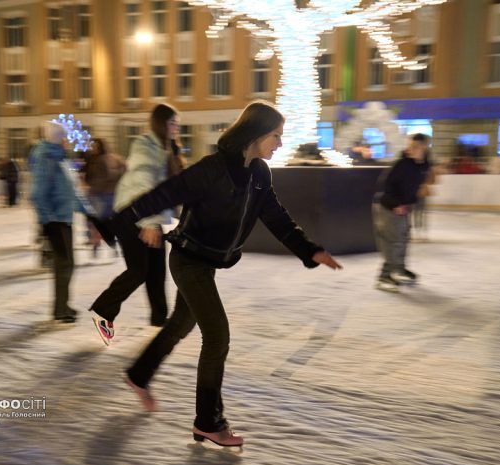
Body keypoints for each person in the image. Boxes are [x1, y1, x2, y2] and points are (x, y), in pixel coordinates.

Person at [110, 100, 342, 447]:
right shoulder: (212, 169)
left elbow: (277, 218)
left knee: (180, 324)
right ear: (256, 134)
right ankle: (208, 421)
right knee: (217, 338)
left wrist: (309, 250)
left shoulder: (260, 174)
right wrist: (111, 223)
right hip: (188, 260)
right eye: (276, 136)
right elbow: (162, 194)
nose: (279, 143)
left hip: (208, 262)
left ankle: (138, 374)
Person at [89, 103, 183, 343]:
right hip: (132, 217)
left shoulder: (166, 149)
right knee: (139, 271)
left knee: (157, 272)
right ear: (162, 124)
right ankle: (103, 311)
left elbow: (170, 188)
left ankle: (159, 323)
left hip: (148, 217)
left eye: (177, 123)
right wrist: (150, 223)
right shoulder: (145, 146)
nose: (177, 127)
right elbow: (144, 182)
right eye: (173, 123)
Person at [30, 119, 94, 325]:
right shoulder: (46, 157)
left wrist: (89, 212)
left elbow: (73, 193)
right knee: (65, 263)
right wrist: (48, 219)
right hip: (55, 220)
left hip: (64, 218)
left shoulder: (61, 157)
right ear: (58, 137)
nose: (70, 139)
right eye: (66, 135)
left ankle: (62, 307)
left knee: (65, 264)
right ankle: (60, 309)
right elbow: (37, 193)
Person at [373, 133, 431, 293]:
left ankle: (399, 269)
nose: (411, 149)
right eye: (410, 146)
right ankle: (384, 277)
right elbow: (385, 186)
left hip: (403, 207)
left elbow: (414, 186)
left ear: (424, 147)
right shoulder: (401, 164)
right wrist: (396, 204)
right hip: (389, 207)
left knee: (403, 239)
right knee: (393, 241)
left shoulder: (424, 165)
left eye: (416, 147)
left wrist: (410, 202)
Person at [81, 138, 126, 257]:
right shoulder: (96, 159)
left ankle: (105, 245)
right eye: (92, 146)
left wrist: (93, 187)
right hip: (103, 195)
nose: (93, 148)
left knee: (99, 222)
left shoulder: (102, 160)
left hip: (101, 196)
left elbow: (105, 177)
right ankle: (103, 245)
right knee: (100, 222)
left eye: (95, 146)